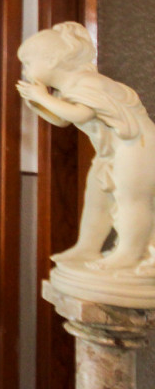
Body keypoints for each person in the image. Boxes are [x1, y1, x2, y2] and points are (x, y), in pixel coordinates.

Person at [17, 21, 155, 271]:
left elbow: (80, 115)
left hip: (137, 145)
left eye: (28, 63)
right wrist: (38, 104)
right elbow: (62, 119)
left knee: (130, 198)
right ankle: (87, 247)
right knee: (96, 197)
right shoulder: (67, 89)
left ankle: (130, 253)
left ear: (51, 60)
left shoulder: (85, 82)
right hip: (113, 151)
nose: (26, 70)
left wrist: (42, 97)